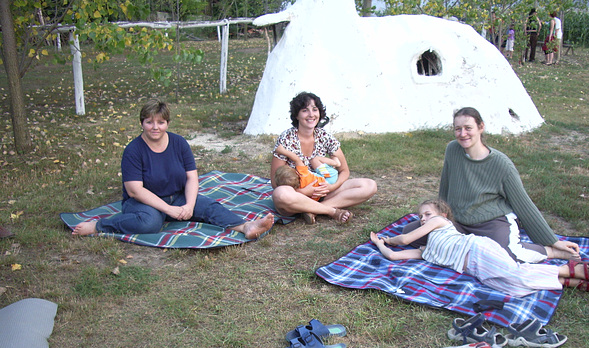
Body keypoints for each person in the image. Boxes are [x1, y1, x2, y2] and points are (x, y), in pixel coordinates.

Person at [73, 99, 274, 239]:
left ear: (167, 123)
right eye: (149, 122)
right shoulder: (133, 150)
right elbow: (135, 190)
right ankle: (100, 226)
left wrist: (188, 205)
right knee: (149, 223)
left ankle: (246, 226)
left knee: (210, 206)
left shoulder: (179, 143)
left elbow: (191, 178)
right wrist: (168, 209)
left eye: (160, 122)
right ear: (142, 123)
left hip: (177, 197)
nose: (155, 127)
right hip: (144, 203)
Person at [403, 107, 581, 263]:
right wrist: (438, 219)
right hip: (459, 222)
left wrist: (551, 240)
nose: (462, 134)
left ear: (481, 128)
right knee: (411, 233)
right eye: (458, 129)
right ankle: (470, 246)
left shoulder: (501, 165)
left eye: (468, 128)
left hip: (491, 223)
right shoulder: (453, 150)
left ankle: (549, 252)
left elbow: (523, 204)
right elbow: (445, 186)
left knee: (504, 256)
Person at [372, 199, 589, 297]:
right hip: (474, 269)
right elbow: (393, 256)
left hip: (477, 250)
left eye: (427, 214)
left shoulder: (440, 224)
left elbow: (401, 241)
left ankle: (569, 270)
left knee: (514, 274)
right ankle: (565, 282)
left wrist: (389, 238)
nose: (423, 219)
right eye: (420, 216)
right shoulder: (426, 252)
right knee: (511, 288)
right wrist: (379, 244)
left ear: (441, 215)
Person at [270, 92, 377, 225]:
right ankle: (330, 211)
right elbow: (275, 182)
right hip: (297, 196)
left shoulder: (324, 136)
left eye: (315, 109)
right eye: (305, 110)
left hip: (323, 193)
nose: (311, 114)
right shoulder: (286, 138)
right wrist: (305, 191)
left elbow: (344, 171)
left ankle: (312, 211)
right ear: (296, 115)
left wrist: (331, 187)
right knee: (281, 194)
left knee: (369, 185)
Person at [275, 144, 340, 184]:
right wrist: (282, 151)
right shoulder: (302, 173)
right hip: (330, 176)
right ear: (297, 173)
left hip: (324, 184)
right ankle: (336, 163)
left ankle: (330, 167)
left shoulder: (299, 187)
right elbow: (296, 159)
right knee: (314, 160)